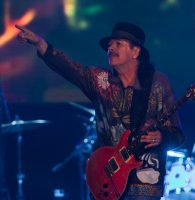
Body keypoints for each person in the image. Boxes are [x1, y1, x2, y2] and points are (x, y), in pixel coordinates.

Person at [15, 22, 184, 200]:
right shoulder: (100, 80)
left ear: (136, 52)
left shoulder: (158, 83)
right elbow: (68, 67)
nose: (111, 48)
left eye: (118, 44)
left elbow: (177, 135)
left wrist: (161, 136)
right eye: (109, 45)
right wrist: (39, 43)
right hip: (108, 179)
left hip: (144, 182)